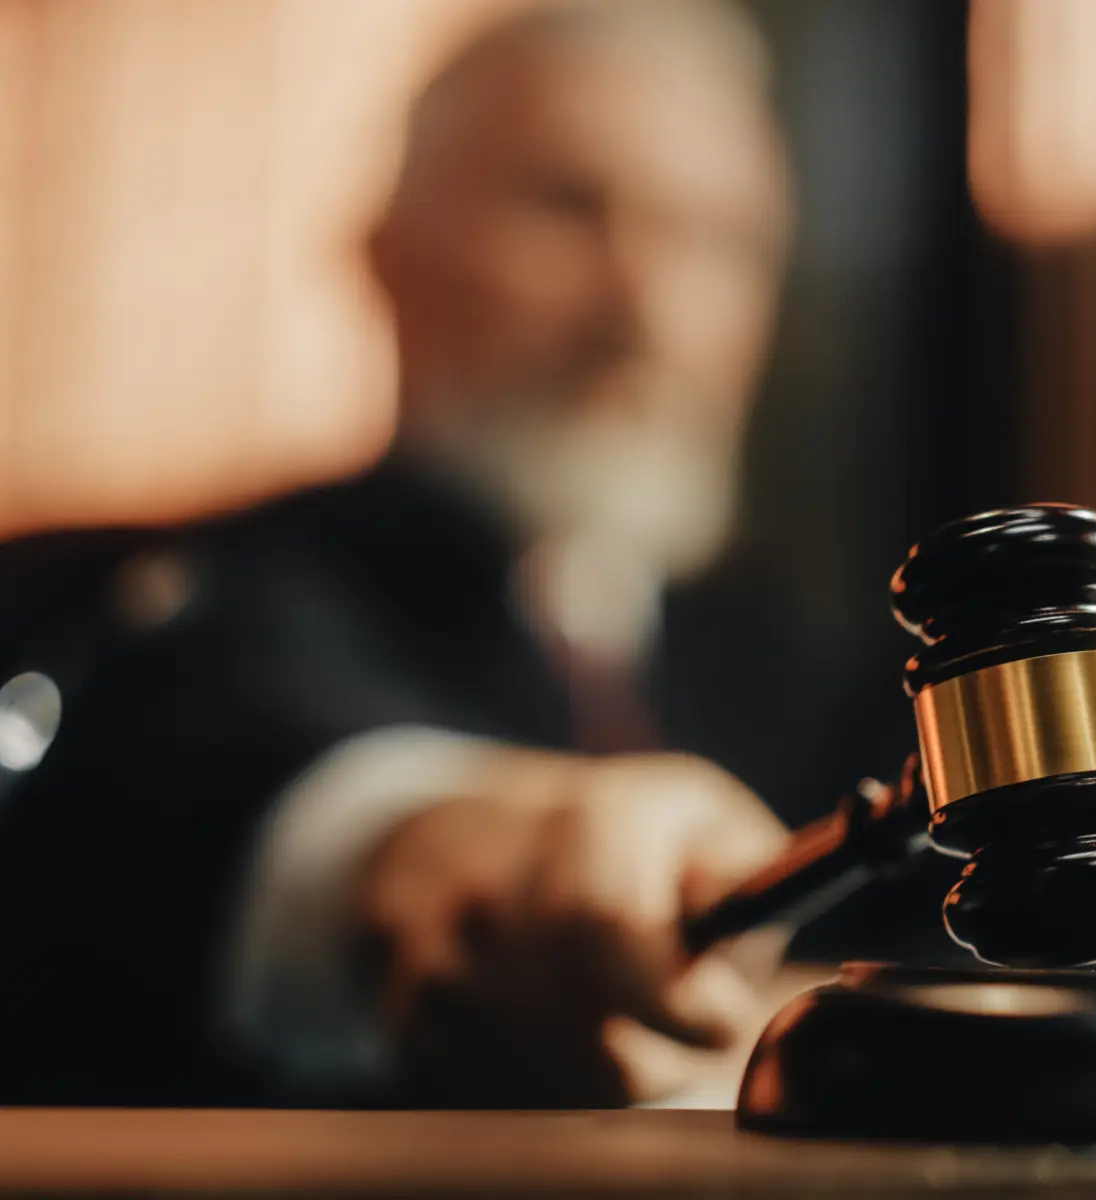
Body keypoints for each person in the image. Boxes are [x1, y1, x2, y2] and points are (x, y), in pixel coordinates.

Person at [0, 0, 916, 1108]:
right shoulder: (141, 599)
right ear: (384, 254)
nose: (647, 305)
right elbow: (164, 766)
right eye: (568, 206)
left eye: (718, 240)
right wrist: (431, 854)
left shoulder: (813, 681)